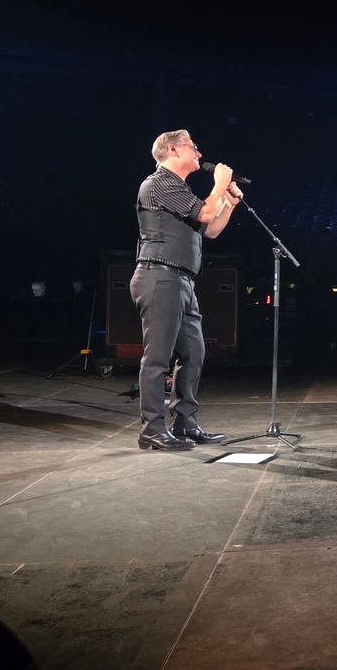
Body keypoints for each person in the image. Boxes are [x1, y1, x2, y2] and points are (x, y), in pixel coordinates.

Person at [131, 129, 242, 451]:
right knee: (157, 358)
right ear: (173, 150)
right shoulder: (159, 183)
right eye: (193, 146)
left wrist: (229, 204)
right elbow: (206, 211)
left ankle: (184, 422)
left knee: (194, 353)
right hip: (160, 276)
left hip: (182, 280)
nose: (198, 152)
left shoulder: (179, 189)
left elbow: (211, 229)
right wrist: (220, 185)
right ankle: (152, 429)